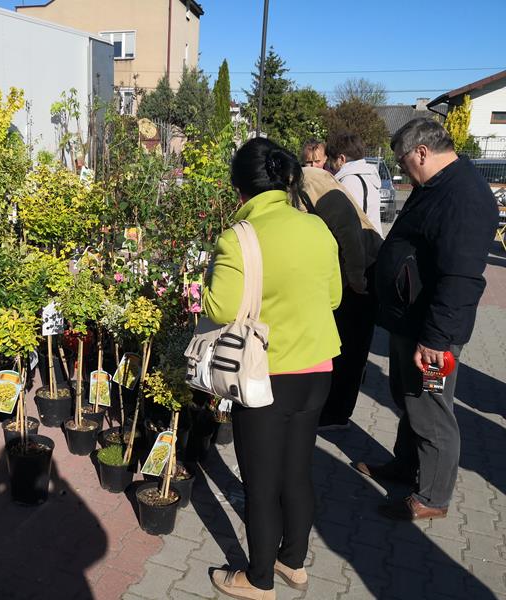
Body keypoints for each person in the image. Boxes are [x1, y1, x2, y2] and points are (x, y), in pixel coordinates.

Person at [204, 138, 342, 600]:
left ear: (239, 189)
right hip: (318, 369)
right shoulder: (316, 227)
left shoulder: (239, 238)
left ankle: (258, 579)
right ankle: (293, 562)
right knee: (297, 470)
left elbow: (221, 309)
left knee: (261, 483)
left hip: (264, 375)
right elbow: (334, 297)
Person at [355, 118, 498, 520]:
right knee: (409, 399)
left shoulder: (464, 196)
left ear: (422, 152)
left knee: (431, 410)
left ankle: (433, 497)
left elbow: (461, 278)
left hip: (432, 332)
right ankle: (406, 464)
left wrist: (436, 338)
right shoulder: (435, 185)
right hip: (410, 320)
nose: (402, 172)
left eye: (403, 163)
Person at [295, 168, 382, 430]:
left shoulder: (313, 184)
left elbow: (349, 234)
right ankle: (332, 408)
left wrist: (356, 281)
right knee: (344, 344)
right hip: (352, 271)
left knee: (349, 348)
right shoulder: (304, 181)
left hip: (364, 268)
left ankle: (336, 413)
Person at [325, 131, 383, 235]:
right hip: (374, 240)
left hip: (359, 242)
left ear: (341, 159)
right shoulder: (368, 175)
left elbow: (346, 223)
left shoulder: (349, 181)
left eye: (331, 161)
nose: (330, 166)